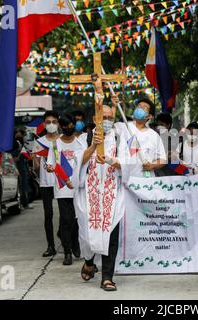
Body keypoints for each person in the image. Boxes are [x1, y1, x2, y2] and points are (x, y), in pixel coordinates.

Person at [76, 104, 127, 291]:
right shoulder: (84, 138)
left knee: (111, 235)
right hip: (88, 195)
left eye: (109, 117)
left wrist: (111, 160)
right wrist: (93, 146)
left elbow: (129, 163)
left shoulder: (120, 138)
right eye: (102, 117)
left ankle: (107, 277)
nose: (106, 121)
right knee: (88, 236)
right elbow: (77, 163)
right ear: (94, 119)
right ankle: (89, 261)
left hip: (113, 194)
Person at [46, 114, 86, 266]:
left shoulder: (80, 144)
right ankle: (68, 252)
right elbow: (50, 164)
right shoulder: (55, 144)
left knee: (77, 219)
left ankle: (75, 243)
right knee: (66, 219)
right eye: (65, 127)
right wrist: (49, 168)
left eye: (71, 126)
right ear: (61, 127)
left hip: (78, 187)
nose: (68, 129)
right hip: (62, 187)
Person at [116, 97, 167, 178]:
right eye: (139, 106)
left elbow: (163, 160)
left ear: (149, 116)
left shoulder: (154, 136)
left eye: (144, 108)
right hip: (124, 179)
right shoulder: (123, 127)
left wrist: (152, 165)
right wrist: (113, 105)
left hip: (145, 182)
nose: (140, 108)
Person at [33, 111, 60, 257]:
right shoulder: (39, 142)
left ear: (58, 123)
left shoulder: (63, 140)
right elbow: (36, 167)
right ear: (44, 124)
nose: (51, 124)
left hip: (62, 182)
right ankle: (50, 246)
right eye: (48, 122)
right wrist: (34, 158)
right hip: (45, 183)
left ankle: (63, 234)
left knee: (66, 214)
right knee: (48, 214)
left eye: (54, 121)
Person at [11, 128, 33, 210]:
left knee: (23, 184)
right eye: (20, 133)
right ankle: (23, 203)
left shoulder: (19, 142)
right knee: (21, 184)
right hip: (17, 165)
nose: (22, 136)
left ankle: (24, 203)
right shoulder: (14, 143)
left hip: (21, 165)